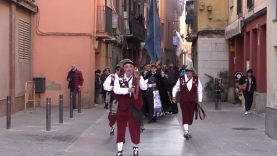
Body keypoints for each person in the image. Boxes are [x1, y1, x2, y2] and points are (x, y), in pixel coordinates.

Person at [113, 59, 147, 156]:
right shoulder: (119, 78)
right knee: (120, 129)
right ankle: (119, 150)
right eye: (126, 67)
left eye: (130, 67)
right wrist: (127, 90)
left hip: (134, 108)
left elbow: (144, 88)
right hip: (122, 107)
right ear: (124, 69)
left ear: (133, 68)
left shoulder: (137, 77)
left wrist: (139, 79)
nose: (129, 69)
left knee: (134, 128)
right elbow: (116, 90)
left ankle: (135, 148)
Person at [172, 66, 203, 140]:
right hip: (184, 101)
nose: (189, 74)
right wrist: (173, 96)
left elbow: (200, 90)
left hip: (192, 101)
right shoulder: (181, 79)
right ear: (186, 73)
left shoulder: (196, 79)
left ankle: (187, 128)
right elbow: (175, 87)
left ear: (192, 73)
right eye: (188, 72)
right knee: (185, 115)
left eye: (190, 72)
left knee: (190, 116)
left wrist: (200, 100)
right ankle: (186, 132)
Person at [103, 65, 122, 136]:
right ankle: (112, 127)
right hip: (114, 98)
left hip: (123, 99)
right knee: (113, 114)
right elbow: (105, 85)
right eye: (117, 69)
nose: (119, 71)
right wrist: (112, 87)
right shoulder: (111, 77)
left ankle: (121, 128)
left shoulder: (125, 77)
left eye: (120, 70)